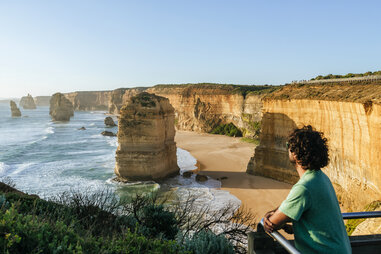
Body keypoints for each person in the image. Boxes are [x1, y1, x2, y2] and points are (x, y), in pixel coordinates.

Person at [263, 125, 351, 253]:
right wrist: (295, 227)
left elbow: (272, 222)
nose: (288, 149)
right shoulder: (320, 177)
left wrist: (268, 216)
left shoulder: (304, 188)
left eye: (289, 146)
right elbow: (318, 219)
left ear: (295, 154)